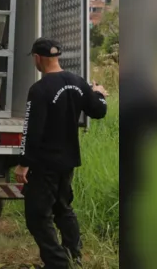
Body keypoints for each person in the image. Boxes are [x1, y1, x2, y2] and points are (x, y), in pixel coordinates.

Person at [14, 37, 109, 269]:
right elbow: (98, 111)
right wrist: (99, 94)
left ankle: (58, 263)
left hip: (45, 163)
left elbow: (32, 130)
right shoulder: (78, 82)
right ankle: (73, 256)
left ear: (38, 58)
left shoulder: (39, 89)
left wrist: (23, 163)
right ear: (57, 57)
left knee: (37, 215)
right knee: (62, 208)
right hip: (68, 161)